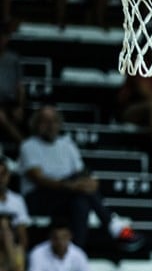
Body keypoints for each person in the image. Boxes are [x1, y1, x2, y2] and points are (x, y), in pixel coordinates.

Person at [18, 106, 142, 250]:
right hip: (38, 196)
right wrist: (71, 185)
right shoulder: (29, 146)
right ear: (36, 124)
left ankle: (77, 251)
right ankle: (112, 224)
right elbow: (38, 178)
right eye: (45, 121)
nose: (50, 125)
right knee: (80, 192)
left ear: (59, 123)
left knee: (81, 202)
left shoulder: (67, 143)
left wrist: (90, 180)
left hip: (69, 194)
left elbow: (81, 171)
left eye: (53, 121)